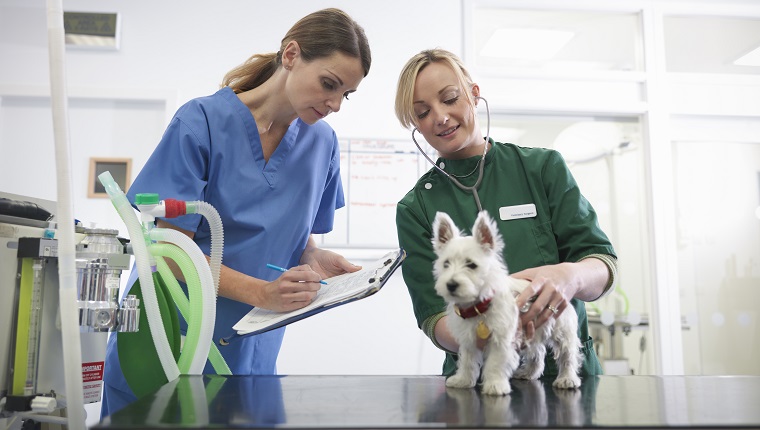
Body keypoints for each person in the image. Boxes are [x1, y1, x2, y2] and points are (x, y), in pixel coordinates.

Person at [101, 8, 370, 416]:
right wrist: (262, 292)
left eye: (345, 94)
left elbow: (296, 240)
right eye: (329, 84)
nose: (334, 104)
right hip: (170, 336)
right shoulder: (202, 122)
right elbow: (170, 255)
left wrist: (315, 259)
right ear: (292, 54)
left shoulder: (322, 145)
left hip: (250, 349)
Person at [394, 48, 617, 378]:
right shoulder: (416, 208)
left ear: (474, 94)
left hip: (564, 376)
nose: (439, 117)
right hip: (478, 381)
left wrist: (570, 277)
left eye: (450, 98)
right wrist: (490, 334)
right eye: (423, 112)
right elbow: (433, 316)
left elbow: (601, 263)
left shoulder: (542, 168)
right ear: (415, 123)